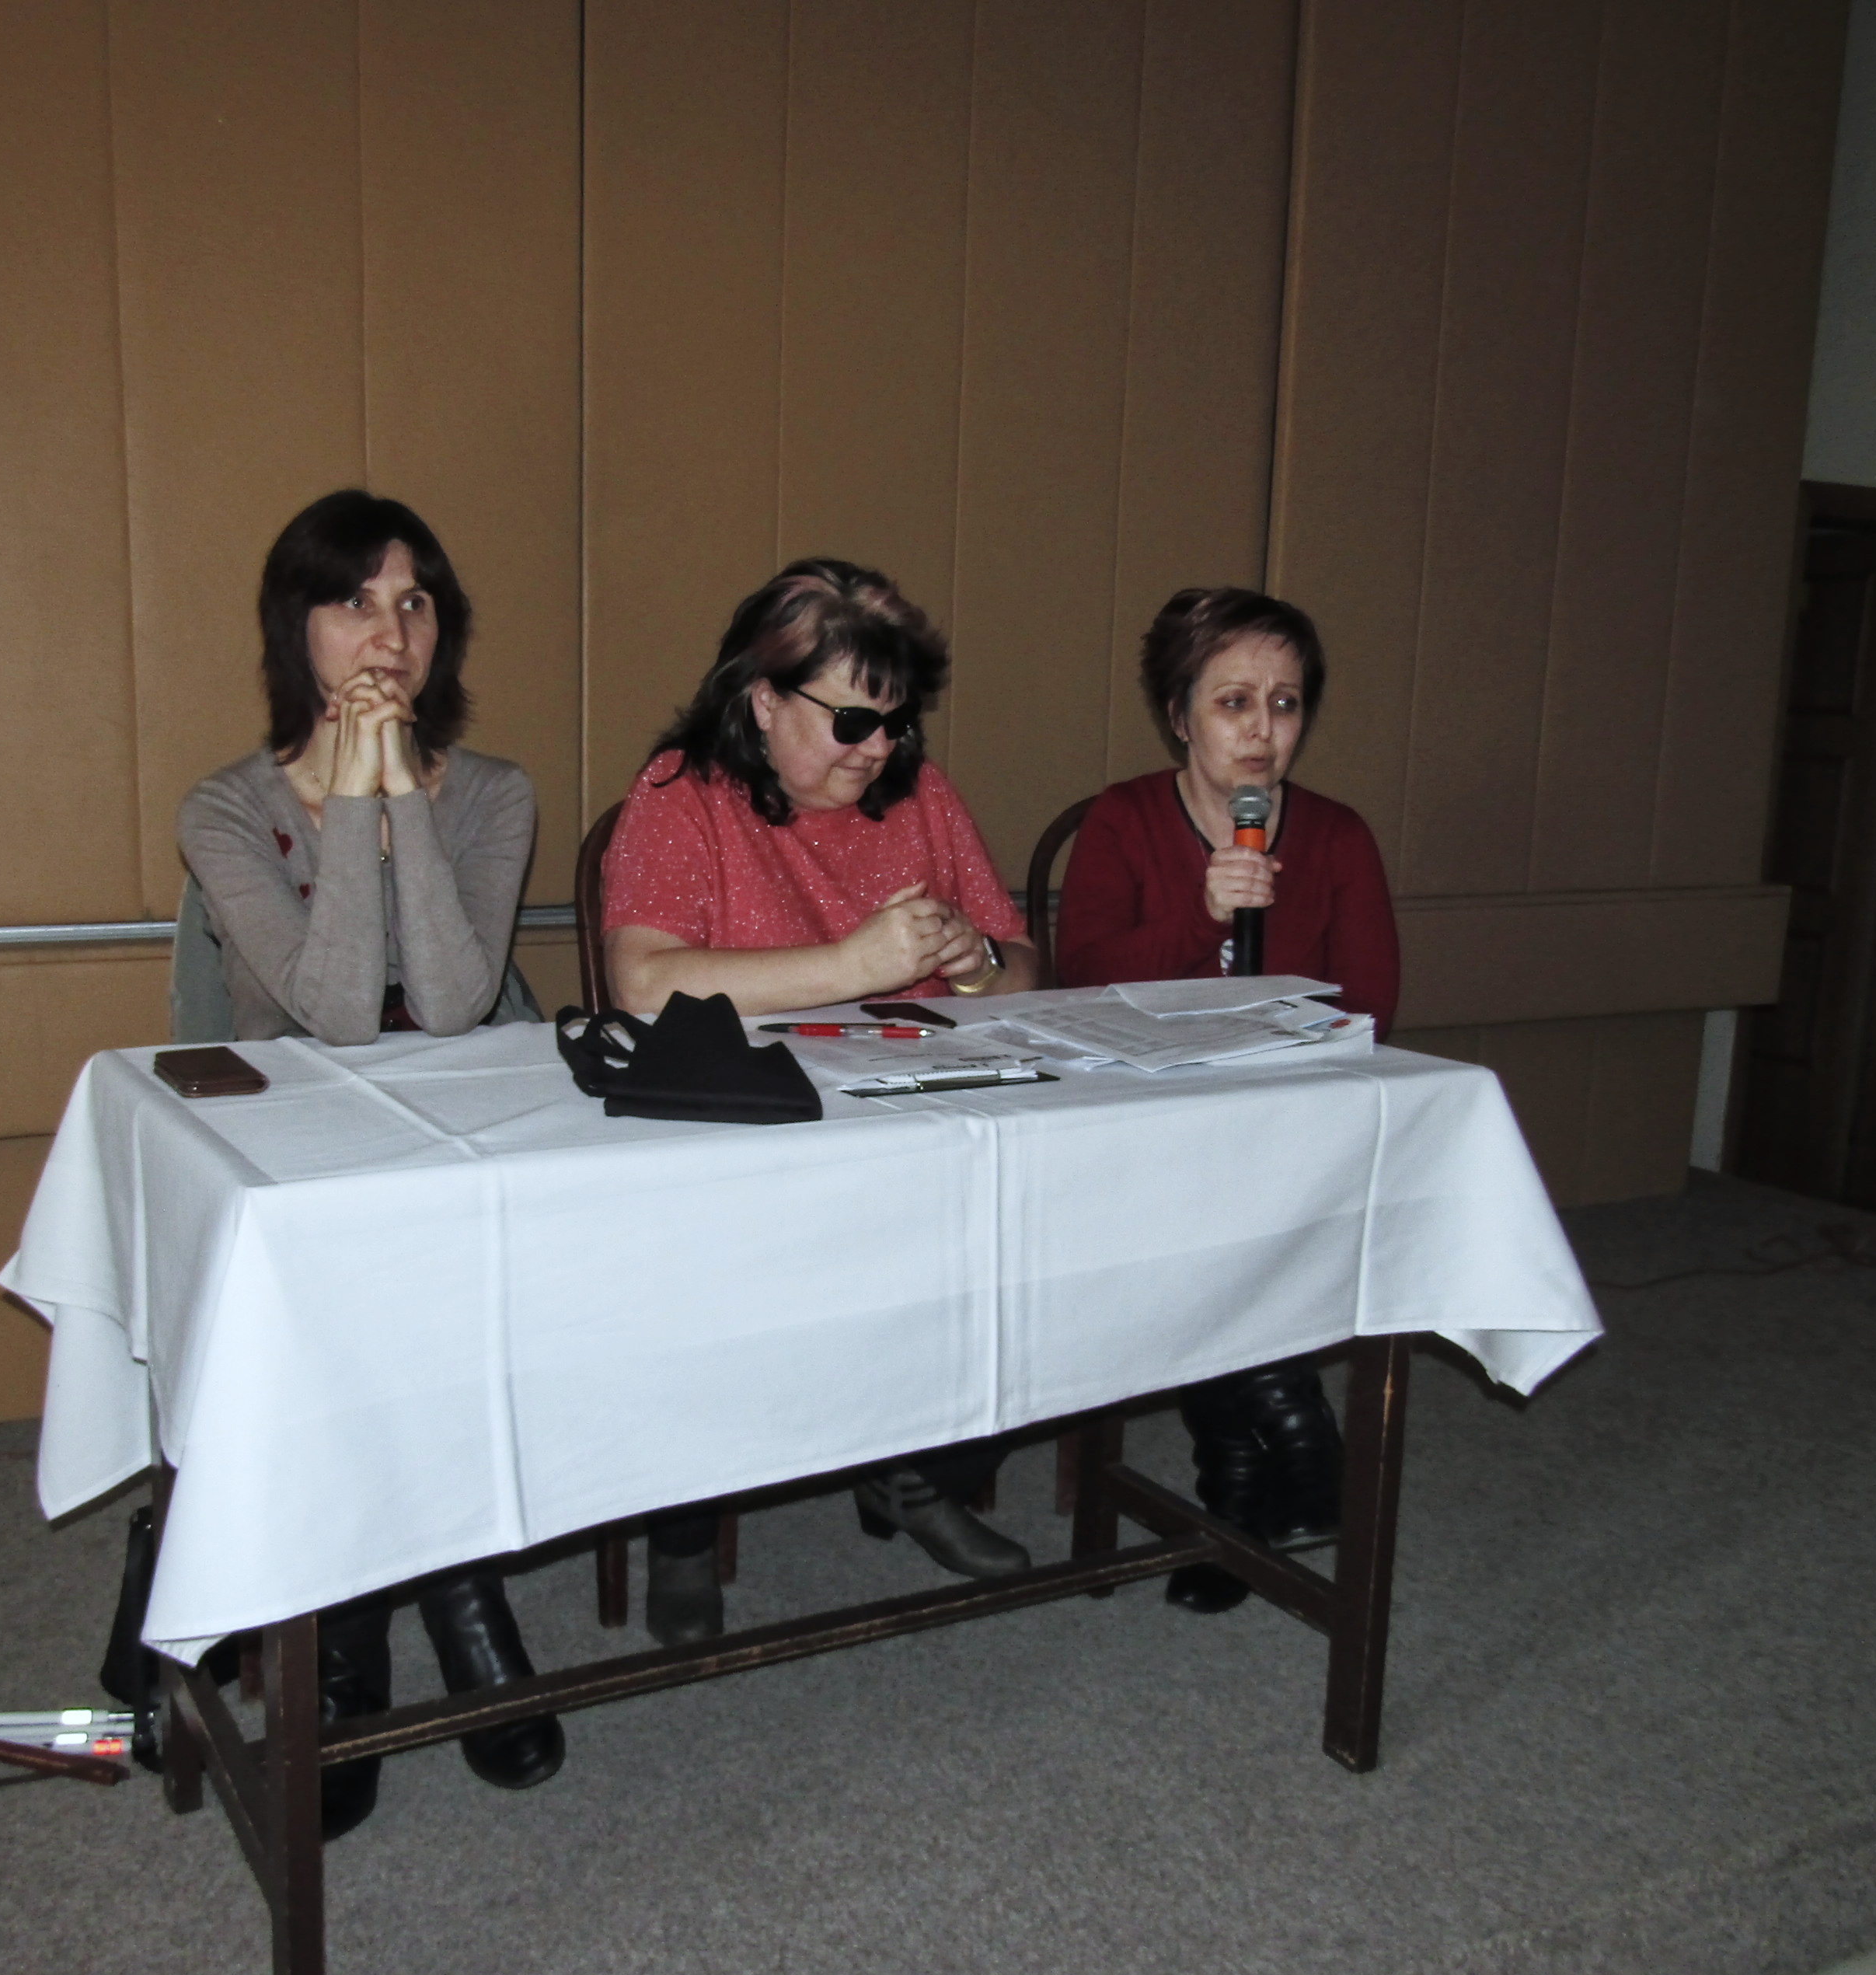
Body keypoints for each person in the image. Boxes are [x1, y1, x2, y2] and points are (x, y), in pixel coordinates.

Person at [175, 490, 559, 1837]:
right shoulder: (225, 810)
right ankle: (380, 1629)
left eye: (415, 604)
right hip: (302, 1146)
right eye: (355, 603)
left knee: (446, 1278)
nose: (389, 636)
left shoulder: (495, 794)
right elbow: (332, 1013)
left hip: (466, 1133)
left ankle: (447, 1594)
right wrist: (354, 794)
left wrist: (404, 790)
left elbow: (453, 1004)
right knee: (355, 1302)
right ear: (297, 628)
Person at [599, 558, 1040, 1644]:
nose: (878, 748)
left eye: (896, 722)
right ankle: (683, 1528)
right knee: (699, 1254)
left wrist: (977, 962)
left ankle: (917, 1468)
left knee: (1020, 1217)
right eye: (851, 721)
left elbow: (1027, 970)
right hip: (749, 1132)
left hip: (904, 1118)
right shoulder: (682, 792)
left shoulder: (920, 796)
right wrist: (852, 965)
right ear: (763, 699)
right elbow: (643, 982)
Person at [1056, 588, 1400, 1614]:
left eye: (1285, 705)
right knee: (1192, 1219)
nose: (1261, 732)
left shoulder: (1337, 837)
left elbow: (1373, 1001)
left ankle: (1234, 1501)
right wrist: (1200, 915)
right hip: (1146, 1119)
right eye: (1234, 703)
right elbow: (1080, 981)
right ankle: (1292, 1435)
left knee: (1218, 1223)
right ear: (1180, 715)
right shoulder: (1123, 821)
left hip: (1289, 1116)